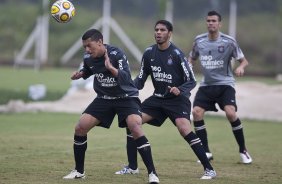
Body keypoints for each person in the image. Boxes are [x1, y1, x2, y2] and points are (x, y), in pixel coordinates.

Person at [115, 20, 216, 180]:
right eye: (156, 30)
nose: (158, 33)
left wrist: (179, 90)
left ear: (170, 34)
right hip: (158, 99)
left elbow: (191, 80)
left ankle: (209, 169)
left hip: (177, 100)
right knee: (132, 122)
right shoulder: (149, 53)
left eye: (162, 30)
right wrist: (125, 86)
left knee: (184, 129)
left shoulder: (177, 54)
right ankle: (133, 167)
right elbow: (140, 80)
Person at [62, 29, 160, 184]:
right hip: (104, 99)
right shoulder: (88, 57)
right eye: (84, 47)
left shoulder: (117, 54)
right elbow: (89, 70)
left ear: (100, 42)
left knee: (135, 126)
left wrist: (111, 68)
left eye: (89, 46)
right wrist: (81, 74)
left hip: (126, 97)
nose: (87, 50)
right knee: (80, 127)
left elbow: (127, 78)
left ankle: (152, 174)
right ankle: (79, 171)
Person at [189, 10, 253, 164]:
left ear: (219, 24)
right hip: (206, 85)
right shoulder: (199, 41)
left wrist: (241, 67)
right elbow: (192, 57)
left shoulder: (229, 41)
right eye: (208, 21)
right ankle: (206, 151)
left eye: (214, 21)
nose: (211, 23)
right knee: (196, 113)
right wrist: (189, 65)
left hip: (225, 84)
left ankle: (243, 150)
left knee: (231, 113)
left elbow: (244, 60)